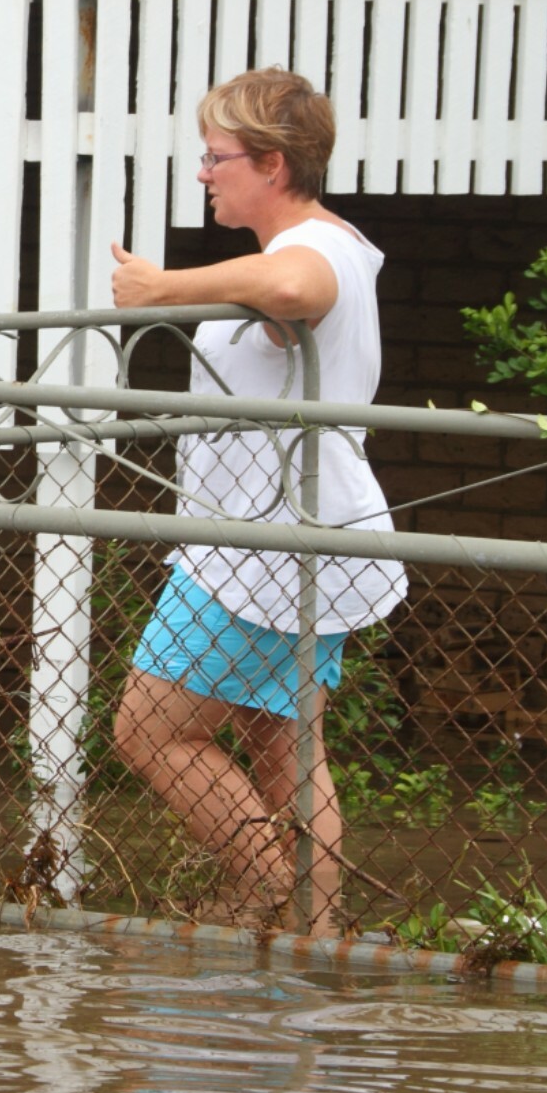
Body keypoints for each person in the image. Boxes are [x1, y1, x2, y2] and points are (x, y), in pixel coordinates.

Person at [106, 67, 407, 929]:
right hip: (287, 535)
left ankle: (263, 888)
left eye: (217, 156)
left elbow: (293, 292)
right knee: (284, 747)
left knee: (151, 729)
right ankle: (313, 933)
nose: (204, 173)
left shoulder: (316, 250)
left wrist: (162, 288)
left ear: (273, 164)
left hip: (265, 545)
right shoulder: (305, 246)